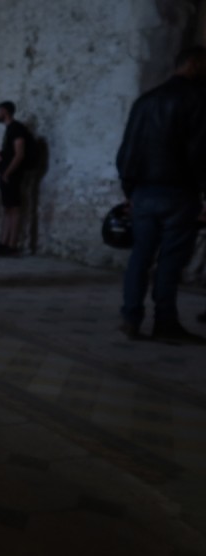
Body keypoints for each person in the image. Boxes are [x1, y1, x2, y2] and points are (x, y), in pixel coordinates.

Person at [116, 45, 206, 343]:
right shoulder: (198, 99)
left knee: (140, 255)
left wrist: (130, 191)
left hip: (143, 191)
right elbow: (200, 152)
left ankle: (131, 317)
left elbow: (128, 149)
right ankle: (165, 322)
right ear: (194, 64)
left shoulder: (146, 101)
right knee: (170, 260)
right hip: (179, 192)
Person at [0, 100, 35, 256]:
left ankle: (12, 245)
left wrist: (7, 173)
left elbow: (19, 154)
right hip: (7, 175)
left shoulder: (17, 128)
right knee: (8, 209)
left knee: (14, 209)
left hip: (12, 175)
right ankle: (4, 243)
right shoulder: (10, 129)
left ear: (5, 111)